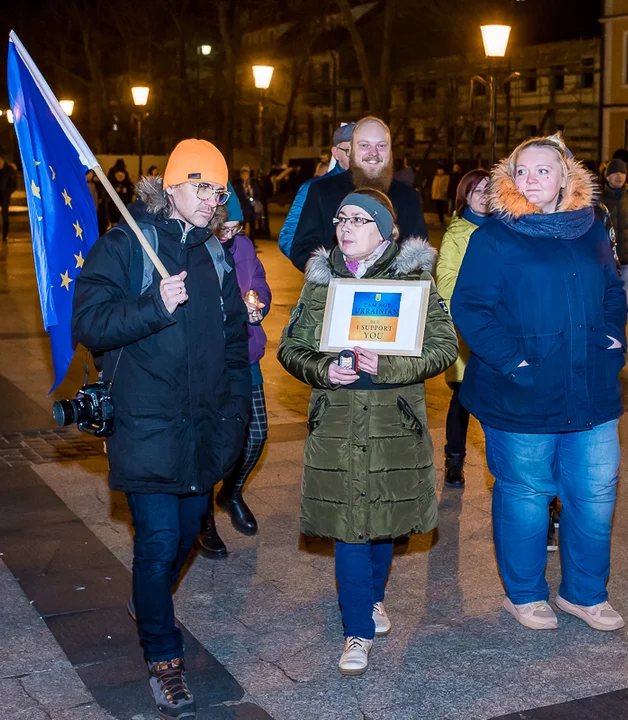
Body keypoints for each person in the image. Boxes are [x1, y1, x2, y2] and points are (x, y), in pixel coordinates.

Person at [72, 139, 250, 720]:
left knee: (181, 539)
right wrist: (152, 303)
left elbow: (231, 345)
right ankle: (164, 658)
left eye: (219, 190)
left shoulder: (215, 256)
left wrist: (235, 416)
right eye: (201, 187)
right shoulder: (126, 244)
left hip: (202, 427)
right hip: (146, 423)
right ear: (171, 186)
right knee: (155, 544)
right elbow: (90, 323)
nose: (211, 200)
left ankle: (145, 605)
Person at [451, 134, 628, 634]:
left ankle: (585, 594)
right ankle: (524, 594)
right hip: (521, 393)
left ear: (566, 177)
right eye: (521, 171)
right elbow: (470, 308)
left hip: (591, 389)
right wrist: (515, 364)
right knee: (526, 493)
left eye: (542, 170)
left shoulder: (592, 229)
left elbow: (613, 290)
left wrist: (614, 338)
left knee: (594, 492)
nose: (530, 179)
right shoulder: (495, 235)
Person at [277, 188, 457, 676]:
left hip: (392, 424)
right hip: (335, 424)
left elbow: (443, 348)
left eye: (359, 219)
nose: (346, 226)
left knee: (383, 523)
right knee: (349, 529)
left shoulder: (414, 279)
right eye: (341, 217)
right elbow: (290, 349)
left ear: (387, 230)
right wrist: (322, 370)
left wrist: (391, 365)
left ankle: (374, 599)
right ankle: (356, 629)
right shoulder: (321, 281)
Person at [196, 190, 272, 559]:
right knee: (210, 441)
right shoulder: (195, 249)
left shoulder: (243, 247)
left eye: (235, 227)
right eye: (222, 227)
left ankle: (231, 491)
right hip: (210, 360)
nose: (229, 234)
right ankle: (204, 517)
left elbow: (259, 284)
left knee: (255, 434)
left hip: (246, 354)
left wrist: (257, 302)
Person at [289, 117, 428, 272]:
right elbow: (301, 249)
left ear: (390, 152)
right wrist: (339, 272)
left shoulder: (409, 197)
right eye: (364, 145)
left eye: (381, 145)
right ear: (352, 150)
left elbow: (419, 251)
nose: (373, 153)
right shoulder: (321, 191)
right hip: (334, 292)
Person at [435, 168, 489, 487]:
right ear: (464, 196)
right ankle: (454, 459)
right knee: (462, 399)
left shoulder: (503, 229)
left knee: (496, 400)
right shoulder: (457, 233)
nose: (483, 195)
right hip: (466, 329)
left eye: (488, 189)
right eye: (476, 190)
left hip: (497, 328)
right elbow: (446, 280)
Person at [278, 122, 355, 260]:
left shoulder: (375, 186)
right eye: (349, 151)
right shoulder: (314, 187)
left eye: (360, 149)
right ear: (335, 153)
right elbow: (288, 238)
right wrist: (320, 268)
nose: (355, 156)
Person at [600, 158, 628, 307]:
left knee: (624, 301)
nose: (619, 176)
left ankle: (621, 329)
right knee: (604, 299)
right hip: (604, 260)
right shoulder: (598, 202)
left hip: (626, 260)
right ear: (607, 176)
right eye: (615, 173)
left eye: (622, 173)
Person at [232, 166, 263, 238]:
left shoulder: (253, 184)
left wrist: (251, 191)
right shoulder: (237, 186)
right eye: (243, 174)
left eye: (246, 174)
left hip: (251, 208)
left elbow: (258, 194)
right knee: (242, 227)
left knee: (252, 227)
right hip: (242, 209)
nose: (245, 176)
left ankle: (251, 242)